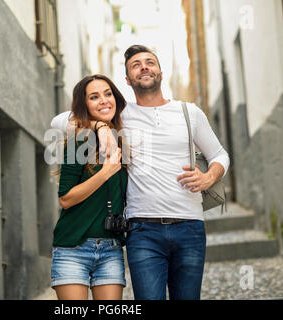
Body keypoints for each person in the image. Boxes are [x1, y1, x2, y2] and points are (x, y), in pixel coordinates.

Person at [50, 45, 230, 300]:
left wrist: (210, 176)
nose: (144, 67)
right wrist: (101, 126)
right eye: (136, 65)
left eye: (150, 62)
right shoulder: (121, 115)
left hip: (190, 226)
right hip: (142, 230)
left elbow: (220, 154)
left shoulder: (189, 113)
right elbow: (58, 121)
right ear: (127, 80)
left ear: (160, 72)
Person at [50, 74, 129, 300]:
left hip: (111, 250)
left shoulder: (124, 141)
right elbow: (65, 198)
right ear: (84, 105)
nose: (103, 100)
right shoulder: (79, 142)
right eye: (94, 97)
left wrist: (104, 127)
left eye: (107, 94)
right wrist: (105, 173)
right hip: (73, 248)